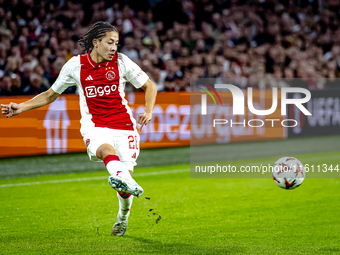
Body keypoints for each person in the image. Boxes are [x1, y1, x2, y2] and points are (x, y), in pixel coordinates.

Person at [1, 21, 157, 236]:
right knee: (105, 152)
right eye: (110, 42)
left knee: (123, 185)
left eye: (117, 43)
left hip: (125, 126)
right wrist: (22, 107)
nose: (114, 48)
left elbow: (149, 86)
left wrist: (148, 111)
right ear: (96, 42)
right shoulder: (75, 65)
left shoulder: (121, 62)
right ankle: (127, 181)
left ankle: (122, 216)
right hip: (95, 125)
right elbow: (50, 94)